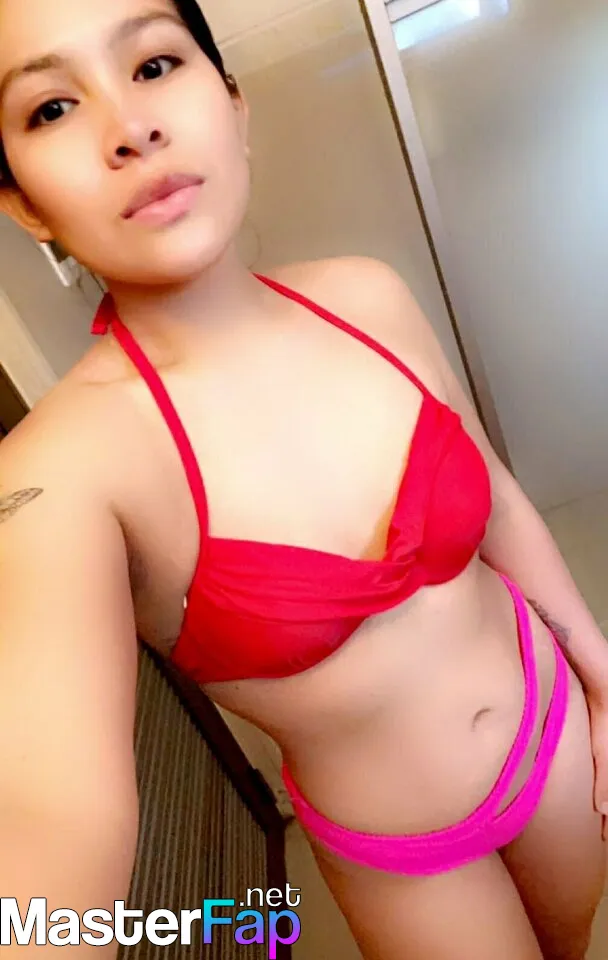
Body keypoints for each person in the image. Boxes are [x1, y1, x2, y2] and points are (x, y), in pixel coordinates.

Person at [0, 0, 606, 956]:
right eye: (51, 109)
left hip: (555, 728)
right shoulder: (61, 473)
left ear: (232, 103)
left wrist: (602, 676)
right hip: (408, 854)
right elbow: (47, 819)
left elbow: (498, 504)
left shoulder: (368, 294)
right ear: (25, 203)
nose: (131, 127)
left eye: (154, 66)